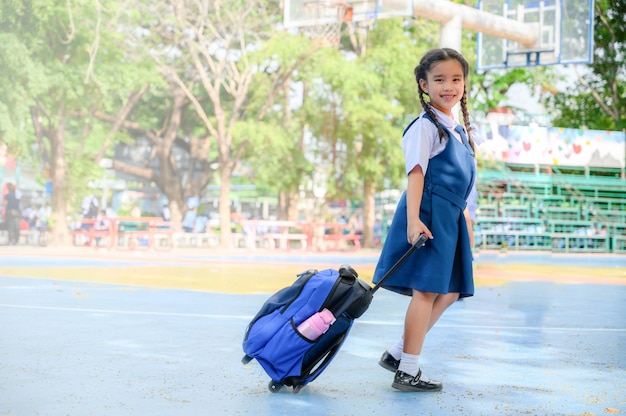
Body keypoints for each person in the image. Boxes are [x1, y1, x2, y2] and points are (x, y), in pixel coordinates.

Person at [373, 48, 477, 393]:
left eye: (456, 79)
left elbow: (461, 182)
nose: (449, 86)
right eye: (440, 79)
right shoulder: (424, 126)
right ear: (424, 84)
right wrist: (413, 219)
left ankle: (399, 353)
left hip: (450, 218)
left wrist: (467, 222)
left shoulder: (457, 129)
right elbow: (415, 174)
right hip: (429, 213)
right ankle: (408, 369)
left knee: (451, 291)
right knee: (427, 292)